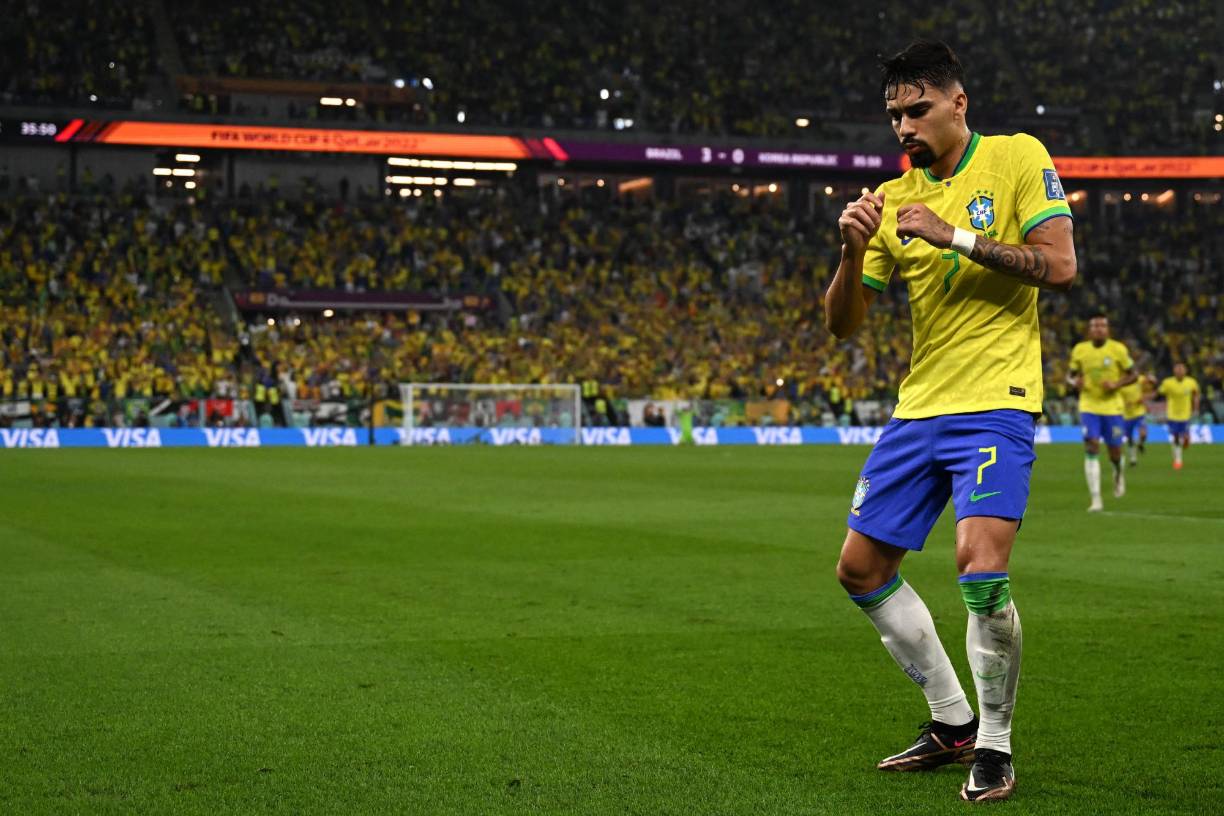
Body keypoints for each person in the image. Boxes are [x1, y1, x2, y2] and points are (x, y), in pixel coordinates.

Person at [826, 41, 1076, 803]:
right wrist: (849, 251)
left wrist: (955, 236)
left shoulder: (1015, 157)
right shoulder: (892, 200)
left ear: (957, 102)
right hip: (919, 406)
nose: (904, 125)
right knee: (860, 569)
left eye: (918, 108)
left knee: (979, 565)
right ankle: (952, 721)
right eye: (895, 113)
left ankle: (996, 748)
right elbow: (843, 325)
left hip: (997, 400)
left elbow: (1059, 265)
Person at [1067, 314, 1137, 509]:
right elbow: (1070, 376)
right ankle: (1096, 498)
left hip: (1113, 407)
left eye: (1102, 326)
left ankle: (1118, 473)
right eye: (1095, 326)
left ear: (1108, 329)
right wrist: (1075, 382)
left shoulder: (1118, 349)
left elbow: (1133, 374)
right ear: (1089, 330)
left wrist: (1116, 383)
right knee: (1092, 447)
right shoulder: (1080, 350)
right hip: (1089, 406)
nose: (1098, 329)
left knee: (1115, 452)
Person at [1157, 363, 1200, 470]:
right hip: (1172, 414)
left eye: (1182, 369)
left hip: (1185, 414)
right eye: (1178, 369)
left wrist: (1196, 408)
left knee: (1185, 438)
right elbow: (1160, 393)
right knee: (1176, 437)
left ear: (1185, 371)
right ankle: (1178, 460)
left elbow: (1195, 395)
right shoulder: (1167, 382)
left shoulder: (1191, 382)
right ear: (1174, 371)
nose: (1180, 371)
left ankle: (1185, 442)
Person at [1119, 372, 1155, 466]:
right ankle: (1133, 458)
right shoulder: (1120, 383)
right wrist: (1124, 404)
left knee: (1143, 434)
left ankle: (1140, 444)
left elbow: (1151, 382)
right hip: (1126, 415)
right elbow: (1117, 399)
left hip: (1139, 413)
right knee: (1129, 438)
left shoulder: (1138, 379)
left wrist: (1150, 379)